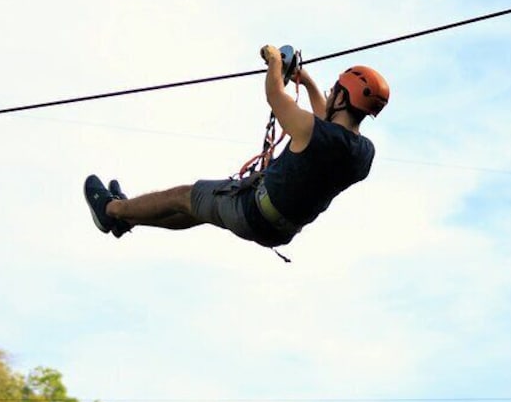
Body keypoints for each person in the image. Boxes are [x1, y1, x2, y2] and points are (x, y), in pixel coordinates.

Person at [83, 44, 389, 249]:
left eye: (334, 90)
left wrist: (274, 63)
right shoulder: (364, 155)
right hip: (280, 230)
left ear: (341, 98)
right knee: (195, 210)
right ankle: (126, 218)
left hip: (253, 209)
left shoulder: (311, 130)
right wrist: (306, 81)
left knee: (185, 196)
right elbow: (329, 124)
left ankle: (111, 209)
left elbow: (275, 95)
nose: (330, 92)